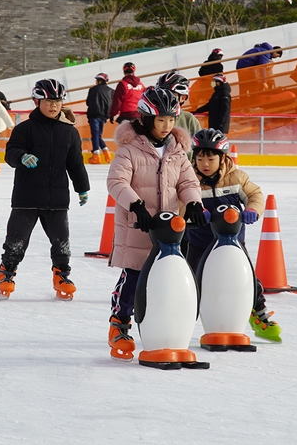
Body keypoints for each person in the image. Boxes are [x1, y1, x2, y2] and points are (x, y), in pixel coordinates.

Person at [105, 86, 204, 361]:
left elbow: (187, 182)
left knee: (167, 280)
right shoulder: (129, 150)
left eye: (172, 120)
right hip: (138, 227)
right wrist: (136, 205)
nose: (167, 126)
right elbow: (116, 182)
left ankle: (165, 327)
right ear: (146, 119)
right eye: (161, 120)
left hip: (169, 229)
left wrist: (194, 201)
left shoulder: (177, 151)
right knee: (134, 278)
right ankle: (120, 324)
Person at [0, 79, 90, 300]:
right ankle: (7, 273)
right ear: (37, 101)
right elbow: (10, 153)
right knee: (16, 241)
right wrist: (21, 156)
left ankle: (62, 276)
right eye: (48, 101)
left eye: (57, 101)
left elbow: (75, 164)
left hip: (57, 198)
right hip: (26, 196)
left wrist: (82, 188)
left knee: (61, 242)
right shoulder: (24, 129)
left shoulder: (69, 133)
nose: (53, 106)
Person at [187, 128, 280, 342]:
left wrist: (252, 210)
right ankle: (182, 318)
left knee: (247, 279)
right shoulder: (189, 180)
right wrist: (194, 212)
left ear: (223, 158)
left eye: (211, 158)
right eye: (200, 158)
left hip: (234, 244)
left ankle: (258, 313)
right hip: (200, 242)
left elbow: (255, 194)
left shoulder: (236, 177)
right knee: (192, 282)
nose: (205, 164)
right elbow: (181, 202)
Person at [157, 71, 201, 141]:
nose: (165, 97)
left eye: (171, 95)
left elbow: (199, 147)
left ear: (182, 98)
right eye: (161, 94)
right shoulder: (151, 118)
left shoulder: (189, 120)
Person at [85, 73, 113, 165]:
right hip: (104, 116)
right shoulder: (111, 91)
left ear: (99, 80)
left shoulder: (93, 89)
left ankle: (96, 155)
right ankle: (106, 152)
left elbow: (88, 102)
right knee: (98, 135)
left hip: (94, 114)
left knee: (95, 135)